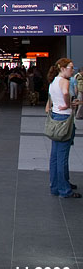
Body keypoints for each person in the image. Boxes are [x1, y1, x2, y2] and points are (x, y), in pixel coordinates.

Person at [46, 58, 81, 198]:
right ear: (62, 68)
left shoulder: (53, 81)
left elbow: (55, 98)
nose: (73, 70)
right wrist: (67, 105)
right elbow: (66, 93)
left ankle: (55, 186)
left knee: (55, 156)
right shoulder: (65, 81)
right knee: (62, 157)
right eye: (70, 67)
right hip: (65, 120)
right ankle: (64, 190)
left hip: (55, 118)